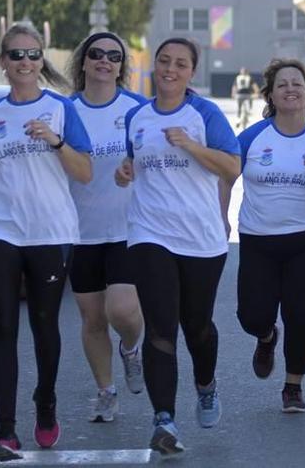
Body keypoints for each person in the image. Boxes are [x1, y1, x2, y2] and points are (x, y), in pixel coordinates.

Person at [114, 37, 240, 454]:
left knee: (197, 328)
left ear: (192, 72)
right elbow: (134, 163)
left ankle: (206, 384)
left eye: (180, 64)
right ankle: (163, 420)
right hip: (150, 232)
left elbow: (231, 166)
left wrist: (191, 145)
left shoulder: (204, 114)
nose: (170, 69)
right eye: (164, 61)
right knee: (161, 329)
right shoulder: (137, 116)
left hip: (200, 238)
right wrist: (126, 171)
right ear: (154, 66)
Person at [0, 24, 92, 461]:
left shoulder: (61, 110)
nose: (25, 61)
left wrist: (56, 142)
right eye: (16, 55)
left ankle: (45, 406)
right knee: (3, 324)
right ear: (3, 63)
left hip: (50, 230)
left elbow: (83, 172)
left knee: (44, 324)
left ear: (41, 60)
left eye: (32, 54)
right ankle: (5, 429)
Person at [227, 58, 305, 413]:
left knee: (301, 314)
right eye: (282, 84)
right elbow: (224, 177)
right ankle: (266, 336)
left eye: (298, 83)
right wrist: (219, 217)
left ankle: (293, 385)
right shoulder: (251, 137)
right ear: (271, 95)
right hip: (258, 239)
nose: (291, 89)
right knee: (251, 314)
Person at [66, 31, 147, 423]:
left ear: (121, 67)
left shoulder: (137, 109)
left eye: (113, 56)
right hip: (80, 232)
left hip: (128, 228)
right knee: (93, 320)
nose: (104, 61)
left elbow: (161, 155)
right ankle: (106, 391)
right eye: (96, 54)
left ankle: (131, 349)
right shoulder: (64, 111)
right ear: (83, 62)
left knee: (123, 311)